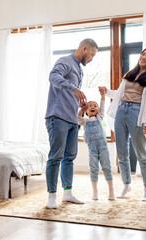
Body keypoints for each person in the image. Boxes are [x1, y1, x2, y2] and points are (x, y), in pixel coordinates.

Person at [99, 47, 146, 201]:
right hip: (121, 111)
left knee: (141, 153)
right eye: (143, 54)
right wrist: (106, 91)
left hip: (137, 113)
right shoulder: (129, 75)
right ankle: (127, 184)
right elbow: (119, 94)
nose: (143, 57)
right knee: (122, 153)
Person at [45, 38, 98, 209]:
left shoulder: (79, 70)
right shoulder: (65, 61)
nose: (92, 59)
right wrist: (74, 89)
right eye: (92, 55)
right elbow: (53, 76)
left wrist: (80, 104)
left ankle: (67, 193)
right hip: (57, 117)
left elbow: (70, 94)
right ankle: (52, 196)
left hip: (72, 119)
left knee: (69, 158)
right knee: (55, 157)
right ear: (84, 49)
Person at [78, 90, 115, 201]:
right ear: (86, 110)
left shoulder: (99, 118)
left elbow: (103, 107)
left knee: (106, 167)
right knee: (93, 169)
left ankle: (111, 190)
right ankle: (95, 191)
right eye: (90, 106)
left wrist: (103, 96)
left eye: (95, 106)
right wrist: (82, 109)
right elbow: (77, 118)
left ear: (98, 110)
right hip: (92, 149)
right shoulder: (84, 121)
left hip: (103, 147)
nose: (93, 107)